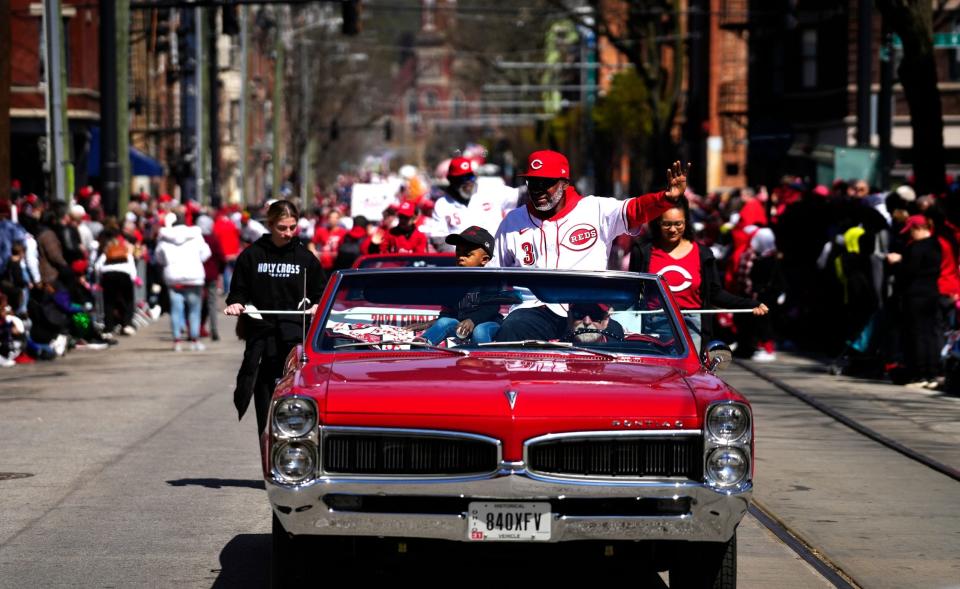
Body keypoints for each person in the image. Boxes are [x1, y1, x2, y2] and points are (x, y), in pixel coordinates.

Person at [491, 150, 687, 342]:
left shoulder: (595, 209)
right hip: (533, 310)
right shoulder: (513, 221)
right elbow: (493, 274)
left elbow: (634, 210)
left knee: (618, 341)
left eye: (546, 183)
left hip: (589, 310)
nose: (537, 188)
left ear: (564, 183)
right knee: (510, 330)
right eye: (532, 182)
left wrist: (665, 199)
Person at [224, 200, 327, 436]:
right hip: (262, 334)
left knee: (296, 387)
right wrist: (237, 303)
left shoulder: (305, 258)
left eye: (292, 227)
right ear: (270, 225)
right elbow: (238, 290)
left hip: (294, 335)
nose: (288, 233)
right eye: (282, 228)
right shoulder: (252, 255)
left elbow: (320, 291)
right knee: (263, 385)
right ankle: (266, 435)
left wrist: (317, 305)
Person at [630, 195, 768, 353]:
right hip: (655, 323)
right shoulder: (643, 251)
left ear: (686, 222)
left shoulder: (703, 254)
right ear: (657, 223)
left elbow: (716, 294)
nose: (673, 229)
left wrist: (750, 304)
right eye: (666, 224)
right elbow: (632, 291)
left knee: (690, 376)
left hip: (693, 325)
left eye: (678, 224)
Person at [419, 226, 502, 344]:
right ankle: (422, 344)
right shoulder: (452, 281)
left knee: (480, 331)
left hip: (489, 323)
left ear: (484, 260)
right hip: (461, 326)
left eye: (467, 254)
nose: (460, 258)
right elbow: (447, 311)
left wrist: (473, 320)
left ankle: (483, 359)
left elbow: (491, 308)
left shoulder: (490, 280)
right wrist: (435, 323)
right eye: (458, 252)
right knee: (444, 322)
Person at [887, 214, 942, 388]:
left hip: (915, 295)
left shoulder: (916, 247)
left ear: (917, 228)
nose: (909, 235)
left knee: (917, 334)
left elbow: (908, 272)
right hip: (931, 293)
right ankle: (931, 374)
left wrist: (896, 262)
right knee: (930, 334)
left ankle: (919, 375)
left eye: (910, 231)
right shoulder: (936, 245)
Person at [428, 156, 517, 250]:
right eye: (461, 178)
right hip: (461, 261)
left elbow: (521, 195)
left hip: (495, 260)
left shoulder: (491, 190)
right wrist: (464, 256)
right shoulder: (442, 204)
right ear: (451, 179)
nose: (467, 182)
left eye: (470, 176)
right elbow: (438, 239)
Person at [155, 215, 211, 352]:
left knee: (175, 310)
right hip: (193, 277)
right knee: (194, 310)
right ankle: (195, 340)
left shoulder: (165, 237)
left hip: (174, 278)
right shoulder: (196, 236)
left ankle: (177, 341)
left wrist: (168, 263)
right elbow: (206, 253)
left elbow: (159, 256)